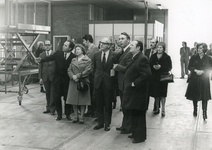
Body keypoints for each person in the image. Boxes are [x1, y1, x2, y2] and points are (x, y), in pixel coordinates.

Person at [37, 40, 76, 121]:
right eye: (64, 45)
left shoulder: (73, 57)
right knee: (57, 97)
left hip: (67, 81)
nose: (63, 46)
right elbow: (49, 58)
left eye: (65, 45)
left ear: (70, 48)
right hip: (57, 80)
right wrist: (41, 60)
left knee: (67, 98)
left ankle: (68, 114)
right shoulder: (58, 53)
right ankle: (59, 115)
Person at [122, 40, 151, 143]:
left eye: (132, 45)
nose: (130, 47)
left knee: (139, 115)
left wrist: (135, 83)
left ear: (138, 48)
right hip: (133, 92)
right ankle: (135, 133)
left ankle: (140, 137)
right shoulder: (134, 57)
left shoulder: (142, 58)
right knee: (134, 112)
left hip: (139, 93)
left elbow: (147, 74)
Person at [93, 37, 118, 131]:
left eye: (104, 43)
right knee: (98, 103)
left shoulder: (114, 55)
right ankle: (100, 122)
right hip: (98, 82)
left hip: (109, 82)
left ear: (109, 45)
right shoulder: (96, 55)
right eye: (100, 43)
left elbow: (116, 69)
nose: (101, 45)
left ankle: (107, 123)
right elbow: (94, 68)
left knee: (108, 104)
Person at [66, 44, 92, 124]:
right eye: (76, 49)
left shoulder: (87, 60)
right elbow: (69, 69)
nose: (76, 51)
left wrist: (78, 76)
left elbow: (88, 70)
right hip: (73, 82)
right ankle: (76, 116)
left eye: (78, 49)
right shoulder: (73, 60)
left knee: (82, 101)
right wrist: (72, 76)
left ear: (82, 51)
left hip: (82, 82)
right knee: (73, 100)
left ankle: (81, 117)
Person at [185, 43, 212, 120]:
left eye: (200, 48)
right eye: (198, 48)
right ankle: (195, 110)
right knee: (195, 95)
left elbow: (210, 67)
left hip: (204, 78)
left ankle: (204, 113)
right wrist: (195, 70)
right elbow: (189, 66)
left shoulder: (208, 58)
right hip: (195, 78)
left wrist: (203, 71)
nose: (198, 49)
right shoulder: (194, 57)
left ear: (204, 49)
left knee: (205, 97)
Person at [113, 32, 133, 134]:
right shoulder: (123, 51)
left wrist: (117, 67)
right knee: (124, 106)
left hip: (126, 83)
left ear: (128, 40)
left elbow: (129, 69)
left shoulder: (130, 52)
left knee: (127, 106)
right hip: (122, 83)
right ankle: (125, 125)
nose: (120, 40)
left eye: (122, 38)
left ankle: (128, 127)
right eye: (119, 39)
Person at [149, 42, 172, 117]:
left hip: (163, 77)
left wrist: (161, 67)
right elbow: (149, 65)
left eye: (161, 47)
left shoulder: (167, 57)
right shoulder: (153, 56)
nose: (159, 49)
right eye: (158, 47)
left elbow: (169, 67)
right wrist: (154, 67)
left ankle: (163, 109)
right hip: (155, 77)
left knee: (163, 94)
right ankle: (156, 109)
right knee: (156, 94)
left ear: (163, 49)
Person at [82, 34, 99, 118]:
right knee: (89, 93)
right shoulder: (88, 50)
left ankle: (94, 111)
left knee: (93, 94)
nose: (83, 43)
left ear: (87, 41)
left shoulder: (94, 50)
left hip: (93, 75)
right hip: (89, 75)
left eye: (84, 41)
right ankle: (90, 110)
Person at [38, 40, 55, 115]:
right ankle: (48, 108)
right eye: (46, 45)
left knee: (53, 93)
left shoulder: (54, 54)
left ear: (51, 45)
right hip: (45, 76)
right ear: (44, 46)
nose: (47, 46)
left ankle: (53, 109)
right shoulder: (42, 55)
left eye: (49, 45)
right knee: (47, 93)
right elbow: (40, 66)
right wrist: (40, 78)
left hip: (53, 76)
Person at [144, 38, 159, 113]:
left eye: (153, 42)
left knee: (156, 92)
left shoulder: (159, 52)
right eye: (151, 42)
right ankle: (145, 107)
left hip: (155, 74)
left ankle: (156, 108)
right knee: (146, 91)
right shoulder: (147, 51)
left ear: (156, 44)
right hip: (147, 74)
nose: (151, 44)